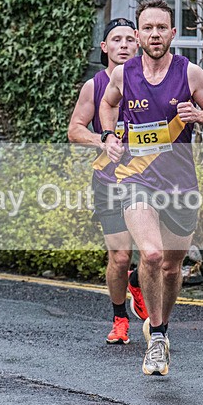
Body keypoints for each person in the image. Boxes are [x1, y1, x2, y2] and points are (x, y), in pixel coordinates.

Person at [99, 0, 203, 376]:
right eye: (148, 28)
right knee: (152, 255)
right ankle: (156, 338)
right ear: (138, 34)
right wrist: (108, 136)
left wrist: (199, 115)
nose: (154, 34)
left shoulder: (190, 74)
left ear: (173, 33)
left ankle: (161, 327)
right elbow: (107, 105)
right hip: (136, 179)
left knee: (172, 268)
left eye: (161, 28)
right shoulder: (124, 74)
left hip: (180, 185)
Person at [68, 18, 147, 345]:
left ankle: (137, 281)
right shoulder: (95, 85)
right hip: (109, 180)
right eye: (116, 39)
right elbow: (75, 129)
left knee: (155, 253)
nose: (124, 45)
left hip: (150, 178)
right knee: (120, 256)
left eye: (129, 39)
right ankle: (119, 318)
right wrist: (102, 140)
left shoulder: (151, 80)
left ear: (138, 43)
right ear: (105, 47)